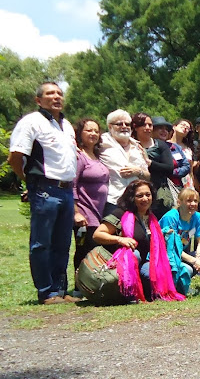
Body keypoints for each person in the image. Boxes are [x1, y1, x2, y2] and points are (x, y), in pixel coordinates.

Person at [8, 82, 81, 304]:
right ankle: (46, 291)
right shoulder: (31, 122)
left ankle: (61, 290)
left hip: (67, 190)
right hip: (44, 189)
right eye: (50, 94)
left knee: (62, 242)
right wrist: (30, 182)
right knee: (42, 243)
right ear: (38, 100)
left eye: (59, 93)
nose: (56, 97)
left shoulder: (66, 125)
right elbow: (15, 157)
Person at [93, 180, 184, 301]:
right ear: (131, 198)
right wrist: (120, 239)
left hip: (145, 261)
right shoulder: (120, 214)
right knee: (133, 254)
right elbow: (97, 234)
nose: (145, 199)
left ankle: (151, 292)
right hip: (120, 262)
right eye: (139, 196)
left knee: (159, 272)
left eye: (148, 194)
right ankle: (127, 292)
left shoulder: (152, 218)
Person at [72, 118, 109, 296]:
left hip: (100, 212)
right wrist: (76, 212)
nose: (93, 134)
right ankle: (79, 287)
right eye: (89, 130)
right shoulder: (79, 157)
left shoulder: (98, 156)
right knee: (83, 250)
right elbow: (72, 185)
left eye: (96, 130)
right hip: (85, 214)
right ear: (80, 133)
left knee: (96, 250)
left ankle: (92, 284)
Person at [158, 188, 200, 294]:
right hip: (167, 256)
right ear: (179, 202)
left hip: (181, 254)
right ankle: (176, 286)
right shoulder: (171, 217)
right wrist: (195, 261)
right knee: (188, 269)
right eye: (189, 201)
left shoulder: (197, 216)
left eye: (195, 201)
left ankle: (181, 283)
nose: (193, 204)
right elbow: (173, 249)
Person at [99, 109, 150, 216]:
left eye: (127, 124)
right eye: (119, 124)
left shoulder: (137, 147)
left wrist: (138, 171)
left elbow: (148, 176)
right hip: (113, 199)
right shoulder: (101, 144)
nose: (124, 126)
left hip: (136, 202)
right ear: (109, 126)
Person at [131, 112, 175, 219]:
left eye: (150, 125)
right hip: (136, 193)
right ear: (135, 127)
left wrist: (150, 163)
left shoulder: (160, 145)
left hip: (159, 194)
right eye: (143, 125)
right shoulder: (129, 145)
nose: (147, 128)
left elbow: (169, 168)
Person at [152, 116, 190, 202]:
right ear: (152, 130)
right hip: (157, 188)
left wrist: (171, 172)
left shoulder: (175, 147)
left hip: (177, 187)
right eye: (160, 128)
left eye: (166, 129)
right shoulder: (149, 148)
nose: (164, 131)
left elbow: (186, 166)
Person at [171, 118, 196, 189]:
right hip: (172, 179)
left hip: (187, 181)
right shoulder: (166, 144)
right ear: (174, 126)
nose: (185, 128)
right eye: (182, 125)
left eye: (188, 128)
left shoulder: (188, 149)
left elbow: (191, 170)